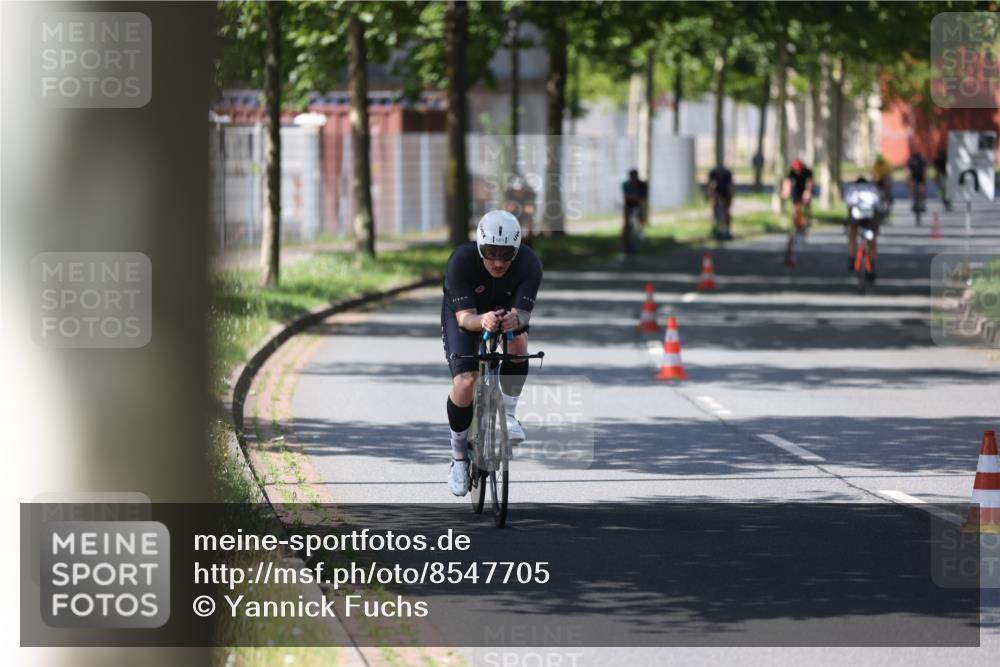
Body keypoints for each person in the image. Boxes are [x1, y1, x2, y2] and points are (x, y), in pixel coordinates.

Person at [440, 210, 543, 496]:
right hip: (467, 314)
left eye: (506, 255)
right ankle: (458, 457)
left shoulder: (530, 264)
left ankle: (509, 416)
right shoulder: (461, 261)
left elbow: (522, 314)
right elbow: (464, 319)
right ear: (479, 246)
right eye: (490, 253)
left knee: (518, 343)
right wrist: (482, 320)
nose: (497, 262)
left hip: (506, 312)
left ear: (517, 250)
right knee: (466, 381)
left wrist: (515, 320)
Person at [844, 176, 884, 282]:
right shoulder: (873, 189)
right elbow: (878, 206)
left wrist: (848, 223)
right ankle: (871, 265)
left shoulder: (852, 189)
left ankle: (852, 258)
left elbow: (849, 205)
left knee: (852, 233)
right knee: (872, 239)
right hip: (871, 214)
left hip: (856, 213)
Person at [780, 158, 814, 266]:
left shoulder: (807, 172)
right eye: (796, 170)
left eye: (799, 170)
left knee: (806, 202)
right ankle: (797, 220)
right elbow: (787, 183)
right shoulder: (792, 171)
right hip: (796, 192)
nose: (797, 171)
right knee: (796, 209)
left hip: (804, 190)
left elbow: (809, 184)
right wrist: (785, 193)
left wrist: (808, 193)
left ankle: (806, 221)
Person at [621, 169, 649, 258]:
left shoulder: (642, 185)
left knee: (640, 223)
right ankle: (626, 244)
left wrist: (635, 199)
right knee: (627, 225)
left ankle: (639, 239)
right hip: (629, 206)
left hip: (639, 206)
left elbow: (643, 199)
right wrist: (635, 198)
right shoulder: (626, 185)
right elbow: (626, 197)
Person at [503, 174, 537, 241]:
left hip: (525, 218)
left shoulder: (530, 193)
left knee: (527, 229)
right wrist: (509, 208)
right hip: (512, 217)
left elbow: (532, 209)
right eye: (516, 191)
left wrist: (527, 208)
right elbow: (506, 207)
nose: (518, 192)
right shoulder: (508, 193)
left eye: (520, 190)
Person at [706, 164, 734, 240]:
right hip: (717, 192)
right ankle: (716, 227)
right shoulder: (713, 173)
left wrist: (730, 199)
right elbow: (709, 185)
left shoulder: (727, 174)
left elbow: (730, 187)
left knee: (727, 211)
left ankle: (727, 230)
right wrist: (709, 195)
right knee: (715, 208)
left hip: (726, 192)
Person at [906, 150, 927, 214]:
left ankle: (923, 203)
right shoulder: (910, 161)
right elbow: (908, 171)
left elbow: (924, 171)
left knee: (922, 190)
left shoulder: (922, 161)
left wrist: (924, 181)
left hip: (920, 176)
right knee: (912, 189)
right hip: (914, 176)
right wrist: (908, 180)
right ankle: (913, 202)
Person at [934, 146, 952, 211]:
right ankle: (946, 202)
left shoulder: (942, 159)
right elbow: (936, 170)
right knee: (943, 191)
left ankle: (946, 202)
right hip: (942, 176)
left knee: (943, 190)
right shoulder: (938, 160)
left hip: (943, 176)